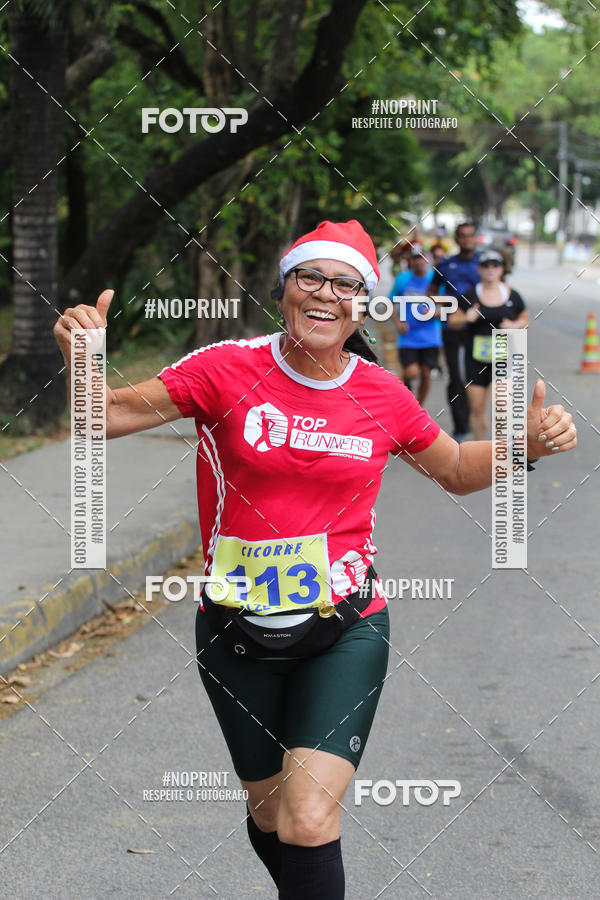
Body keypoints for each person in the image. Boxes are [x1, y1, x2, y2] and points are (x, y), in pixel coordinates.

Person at [53, 219, 577, 900]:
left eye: (346, 283)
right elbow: (106, 416)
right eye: (311, 277)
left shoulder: (381, 395)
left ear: (363, 303)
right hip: (235, 630)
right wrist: (85, 358)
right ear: (285, 290)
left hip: (346, 627)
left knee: (307, 816)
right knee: (271, 815)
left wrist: (523, 445)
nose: (327, 293)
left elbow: (451, 468)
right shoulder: (225, 368)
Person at [448, 248, 529, 440]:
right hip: (474, 359)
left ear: (502, 269)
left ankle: (502, 447)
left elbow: (525, 317)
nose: (490, 269)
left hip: (504, 359)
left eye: (495, 265)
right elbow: (453, 321)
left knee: (502, 404)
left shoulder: (512, 296)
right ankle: (482, 449)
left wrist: (515, 325)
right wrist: (466, 317)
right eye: (486, 265)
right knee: (476, 407)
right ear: (479, 269)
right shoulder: (470, 295)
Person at [428, 221, 481, 442]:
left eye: (471, 235)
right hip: (454, 329)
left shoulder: (486, 263)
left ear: (475, 238)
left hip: (481, 331)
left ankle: (480, 424)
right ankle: (461, 428)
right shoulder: (446, 265)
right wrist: (441, 311)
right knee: (457, 378)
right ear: (457, 239)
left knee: (480, 379)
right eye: (463, 236)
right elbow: (430, 293)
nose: (467, 239)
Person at [389, 245, 442, 406]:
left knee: (426, 373)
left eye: (422, 257)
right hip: (408, 335)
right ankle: (407, 391)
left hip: (431, 335)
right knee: (411, 372)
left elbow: (450, 306)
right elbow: (389, 303)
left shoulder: (436, 279)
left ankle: (418, 407)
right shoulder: (402, 279)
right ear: (410, 261)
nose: (419, 261)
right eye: (415, 258)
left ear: (428, 259)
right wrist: (398, 322)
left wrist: (434, 313)